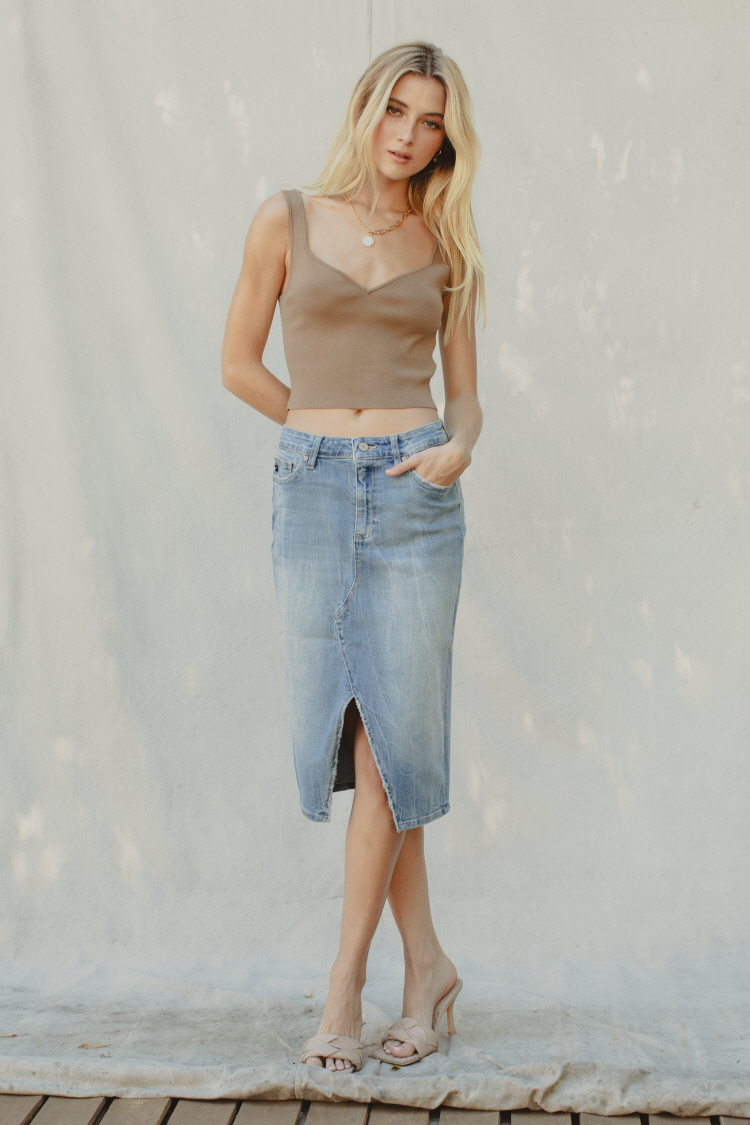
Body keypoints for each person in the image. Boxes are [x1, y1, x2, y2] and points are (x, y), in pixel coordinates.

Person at [221, 41, 484, 1073]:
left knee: (391, 745)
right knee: (364, 735)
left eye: (431, 121)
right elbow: (238, 363)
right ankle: (428, 967)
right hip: (316, 490)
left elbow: (466, 395)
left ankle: (345, 989)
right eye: (396, 110)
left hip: (417, 496)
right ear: (365, 108)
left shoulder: (448, 244)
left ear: (446, 140)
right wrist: (322, 434)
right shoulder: (285, 218)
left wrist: (457, 446)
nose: (408, 135)